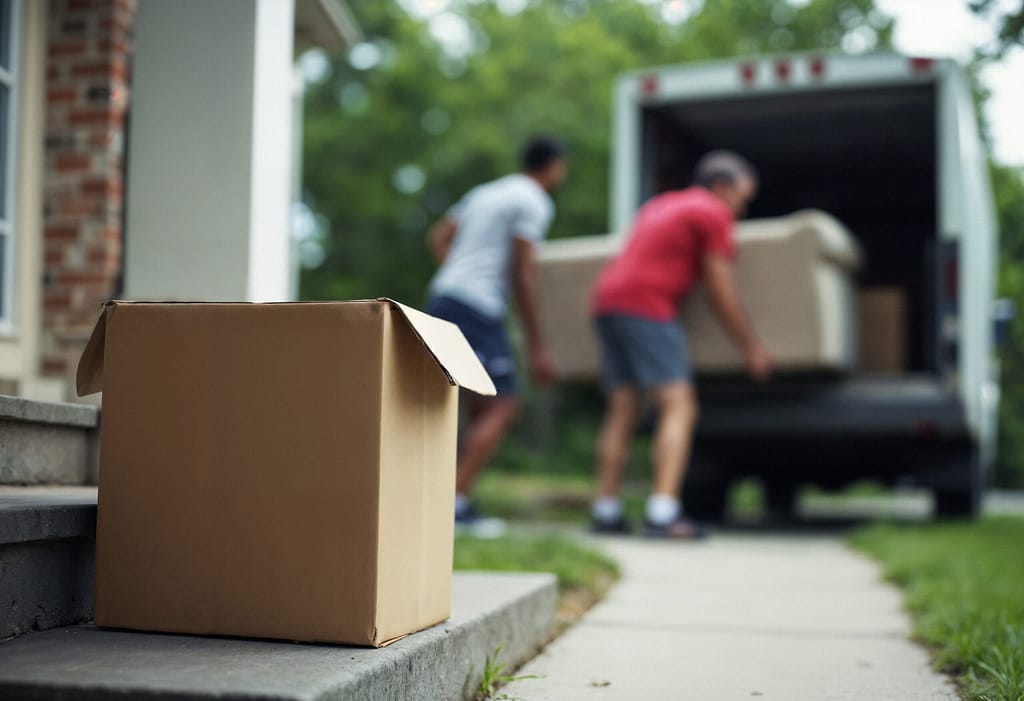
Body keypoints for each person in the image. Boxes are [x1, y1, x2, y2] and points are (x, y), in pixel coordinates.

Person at [589, 150, 771, 539]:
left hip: (607, 301)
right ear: (721, 188)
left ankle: (606, 510)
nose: (742, 208)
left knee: (623, 408)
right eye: (742, 197)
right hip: (647, 306)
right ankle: (663, 512)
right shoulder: (711, 212)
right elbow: (719, 289)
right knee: (679, 404)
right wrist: (751, 346)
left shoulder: (662, 203)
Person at [426, 135, 567, 527]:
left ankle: (450, 498)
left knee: (474, 404)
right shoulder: (534, 202)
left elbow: (438, 238)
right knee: (504, 403)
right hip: (478, 306)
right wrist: (537, 344)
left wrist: (456, 272)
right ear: (554, 166)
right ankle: (452, 501)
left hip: (444, 296)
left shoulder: (485, 193)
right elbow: (524, 273)